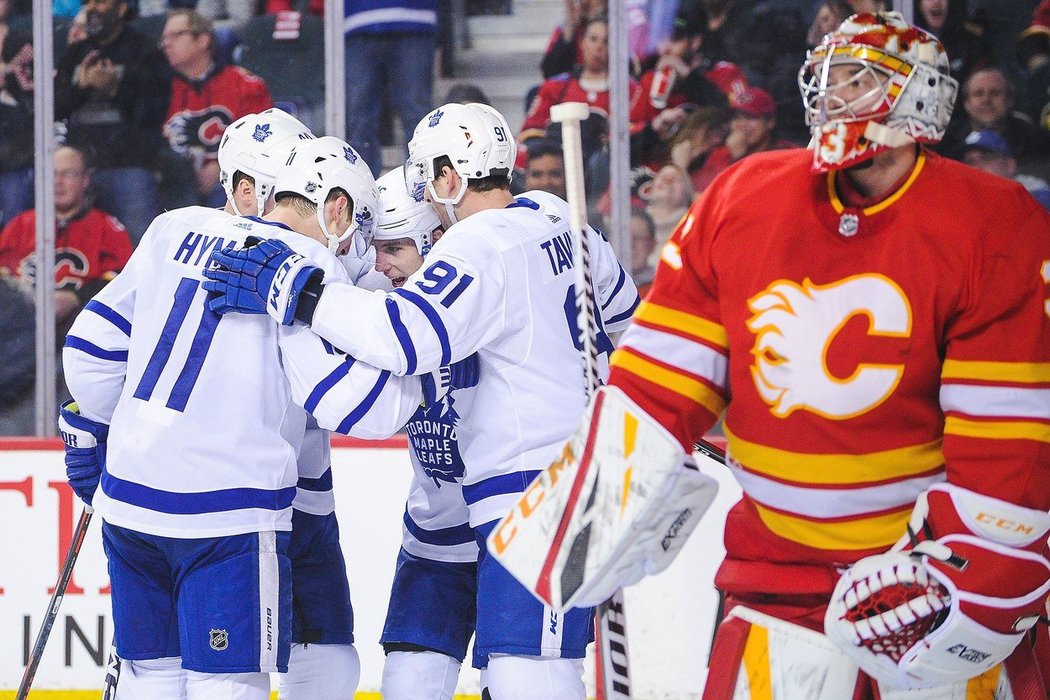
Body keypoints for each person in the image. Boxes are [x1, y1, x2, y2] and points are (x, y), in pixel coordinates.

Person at [511, 11, 1050, 699]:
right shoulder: (744, 195)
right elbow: (657, 388)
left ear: (917, 97)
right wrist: (594, 519)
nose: (832, 94)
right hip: (775, 583)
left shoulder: (990, 220)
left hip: (917, 585)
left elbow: (1007, 444)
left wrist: (973, 575)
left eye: (858, 80)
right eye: (828, 77)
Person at [202, 101, 640, 698]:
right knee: (414, 678)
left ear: (448, 181)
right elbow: (622, 316)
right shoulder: (559, 218)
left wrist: (296, 294)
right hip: (471, 514)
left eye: (399, 248)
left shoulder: (475, 248)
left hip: (537, 494)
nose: (383, 265)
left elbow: (404, 337)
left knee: (527, 677)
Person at [59, 135, 422, 698]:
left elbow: (91, 354)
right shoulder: (306, 266)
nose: (365, 254)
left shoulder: (173, 226)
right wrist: (412, 349)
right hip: (225, 515)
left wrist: (115, 429)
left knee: (148, 678)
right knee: (228, 685)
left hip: (129, 499)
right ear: (336, 208)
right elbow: (365, 409)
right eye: (365, 233)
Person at [214, 110, 374, 700]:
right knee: (213, 674)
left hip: (302, 492)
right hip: (238, 501)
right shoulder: (196, 248)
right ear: (243, 188)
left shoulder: (319, 263)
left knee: (330, 656)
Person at [54, 0, 172, 243]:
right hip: (79, 169)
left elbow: (153, 114)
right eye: (90, 3)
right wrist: (80, 87)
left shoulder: (145, 51)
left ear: (121, 9)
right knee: (73, 245)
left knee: (140, 245)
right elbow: (53, 109)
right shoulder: (75, 53)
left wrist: (114, 89)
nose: (94, 8)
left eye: (102, 1)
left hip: (129, 164)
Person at [0, 144, 132, 328]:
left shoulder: (107, 227)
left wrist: (76, 297)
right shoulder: (20, 224)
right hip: (23, 327)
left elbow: (122, 279)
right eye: (52, 174)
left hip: (83, 325)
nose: (58, 181)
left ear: (85, 180)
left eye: (68, 173)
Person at [161, 9, 272, 208]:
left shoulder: (244, 84)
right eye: (164, 38)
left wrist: (221, 165)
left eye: (176, 35)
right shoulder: (159, 90)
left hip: (230, 180)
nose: (166, 44)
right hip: (174, 184)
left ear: (203, 40)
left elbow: (260, 140)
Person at [344, 0, 438, 176]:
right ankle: (359, 192)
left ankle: (424, 187)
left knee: (416, 116)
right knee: (358, 119)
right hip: (360, 19)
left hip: (412, 18)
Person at [691, 85, 798, 192]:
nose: (741, 125)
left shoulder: (787, 154)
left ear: (770, 122)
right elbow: (709, 193)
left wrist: (740, 159)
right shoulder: (720, 154)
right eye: (736, 118)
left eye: (750, 117)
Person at [961, 129, 1050, 210]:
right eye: (970, 161)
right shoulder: (961, 199)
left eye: (987, 158)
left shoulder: (1037, 197)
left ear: (1010, 165)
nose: (976, 167)